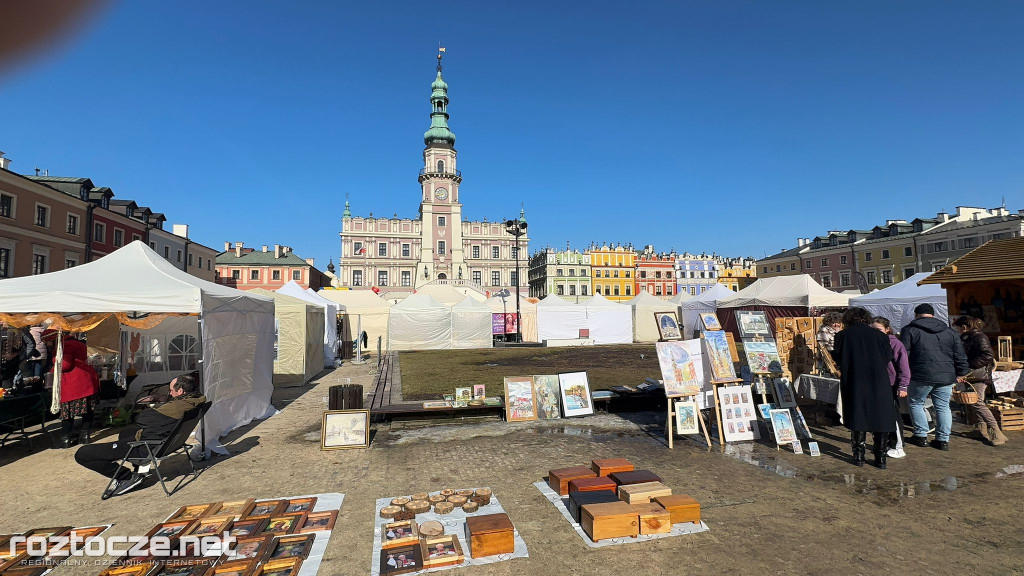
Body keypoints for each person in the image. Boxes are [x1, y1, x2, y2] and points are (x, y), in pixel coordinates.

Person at [74, 373, 206, 498]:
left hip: (147, 446)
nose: (170, 393)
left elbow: (141, 418)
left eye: (171, 390)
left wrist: (153, 406)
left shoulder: (175, 408)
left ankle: (126, 476)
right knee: (126, 432)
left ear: (181, 391)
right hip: (168, 442)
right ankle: (141, 469)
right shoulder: (195, 401)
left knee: (82, 454)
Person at [831, 307, 897, 468]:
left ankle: (859, 455)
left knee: (857, 415)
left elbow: (838, 357)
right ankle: (880, 457)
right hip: (878, 380)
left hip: (855, 380)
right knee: (881, 417)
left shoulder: (842, 336)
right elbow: (888, 357)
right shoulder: (880, 336)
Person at [900, 303, 970, 451]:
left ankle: (920, 436)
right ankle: (943, 440)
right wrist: (962, 372)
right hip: (945, 375)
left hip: (920, 374)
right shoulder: (949, 332)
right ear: (933, 314)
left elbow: (904, 355)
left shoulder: (909, 330)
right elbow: (959, 355)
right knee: (943, 407)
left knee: (916, 403)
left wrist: (902, 374)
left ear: (916, 315)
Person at [953, 316, 1008, 446]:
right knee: (973, 402)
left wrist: (968, 366)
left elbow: (988, 355)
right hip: (973, 375)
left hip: (978, 375)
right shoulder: (969, 337)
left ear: (964, 327)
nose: (958, 331)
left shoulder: (979, 337)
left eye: (959, 328)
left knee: (977, 402)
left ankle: (996, 431)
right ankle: (981, 429)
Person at [872, 317, 911, 459]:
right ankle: (886, 443)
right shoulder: (873, 344)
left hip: (891, 384)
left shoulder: (896, 344)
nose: (876, 333)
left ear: (887, 329)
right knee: (880, 415)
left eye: (879, 330)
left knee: (893, 415)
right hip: (878, 384)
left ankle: (898, 445)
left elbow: (904, 368)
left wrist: (903, 386)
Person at [54, 334, 100, 448]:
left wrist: (54, 359)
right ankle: (85, 436)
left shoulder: (66, 345)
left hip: (74, 382)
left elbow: (65, 365)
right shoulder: (79, 343)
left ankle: (65, 439)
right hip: (87, 381)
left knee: (68, 412)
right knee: (88, 410)